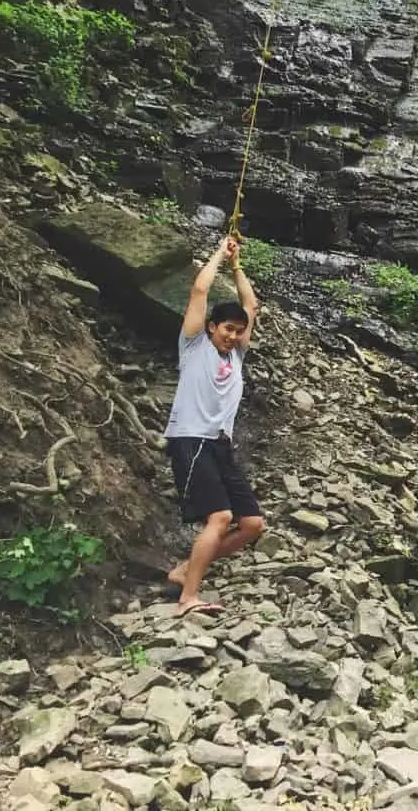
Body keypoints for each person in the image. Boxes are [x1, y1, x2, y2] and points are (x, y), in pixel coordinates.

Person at [162, 234, 266, 616]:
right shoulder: (193, 346)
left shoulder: (236, 355)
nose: (233, 335)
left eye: (238, 331)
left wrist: (238, 266)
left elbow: (251, 304)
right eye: (227, 328)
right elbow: (199, 289)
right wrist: (220, 254)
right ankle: (188, 598)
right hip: (190, 438)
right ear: (211, 327)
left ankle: (188, 568)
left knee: (252, 524)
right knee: (220, 518)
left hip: (220, 444)